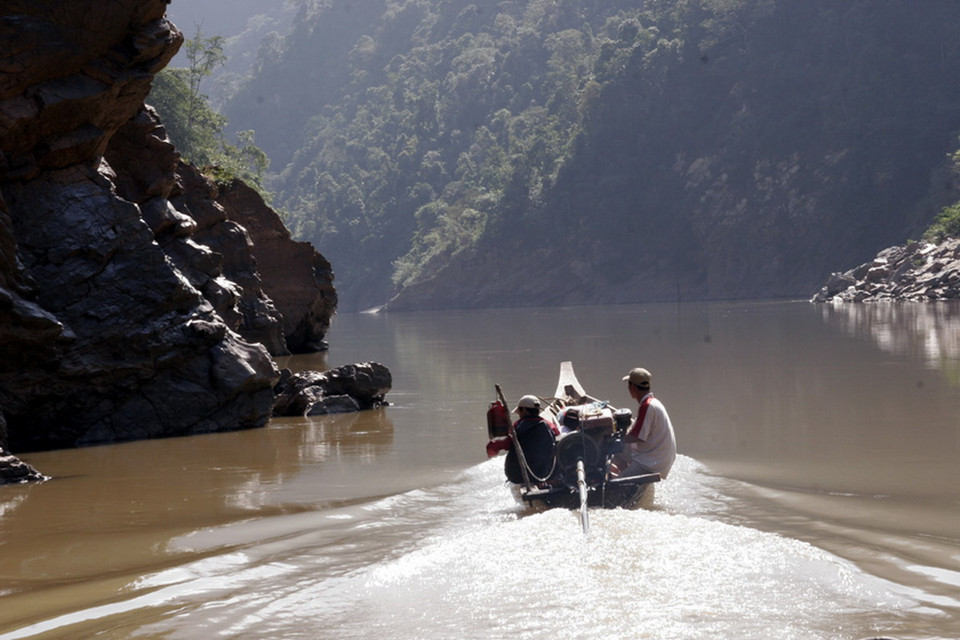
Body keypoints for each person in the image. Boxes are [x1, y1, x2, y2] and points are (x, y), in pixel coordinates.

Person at [612, 367, 677, 479]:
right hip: (659, 456)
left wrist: (612, 440)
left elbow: (636, 436)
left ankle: (622, 475)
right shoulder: (654, 403)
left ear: (632, 387)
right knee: (618, 450)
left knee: (618, 477)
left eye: (628, 385)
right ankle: (627, 470)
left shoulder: (646, 406)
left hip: (652, 462)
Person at [485, 394, 558, 484]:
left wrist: (492, 446)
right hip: (545, 472)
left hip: (518, 475)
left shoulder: (516, 427)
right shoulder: (550, 426)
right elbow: (557, 437)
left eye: (519, 411)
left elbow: (506, 444)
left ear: (524, 410)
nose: (519, 414)